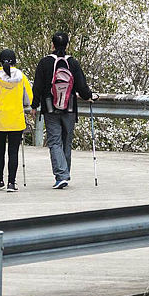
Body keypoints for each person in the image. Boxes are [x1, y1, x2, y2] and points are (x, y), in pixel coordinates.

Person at [31, 32, 94, 189]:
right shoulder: (73, 63)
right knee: (66, 141)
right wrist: (89, 96)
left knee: (54, 141)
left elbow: (37, 86)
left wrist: (34, 105)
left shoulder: (45, 63)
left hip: (50, 107)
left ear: (52, 45)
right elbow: (82, 86)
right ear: (67, 45)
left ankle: (61, 175)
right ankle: (64, 173)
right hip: (70, 107)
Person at [0, 49, 33, 193]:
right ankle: (12, 182)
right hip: (16, 119)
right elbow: (29, 98)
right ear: (15, 61)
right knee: (13, 152)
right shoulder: (21, 77)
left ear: (0, 61)